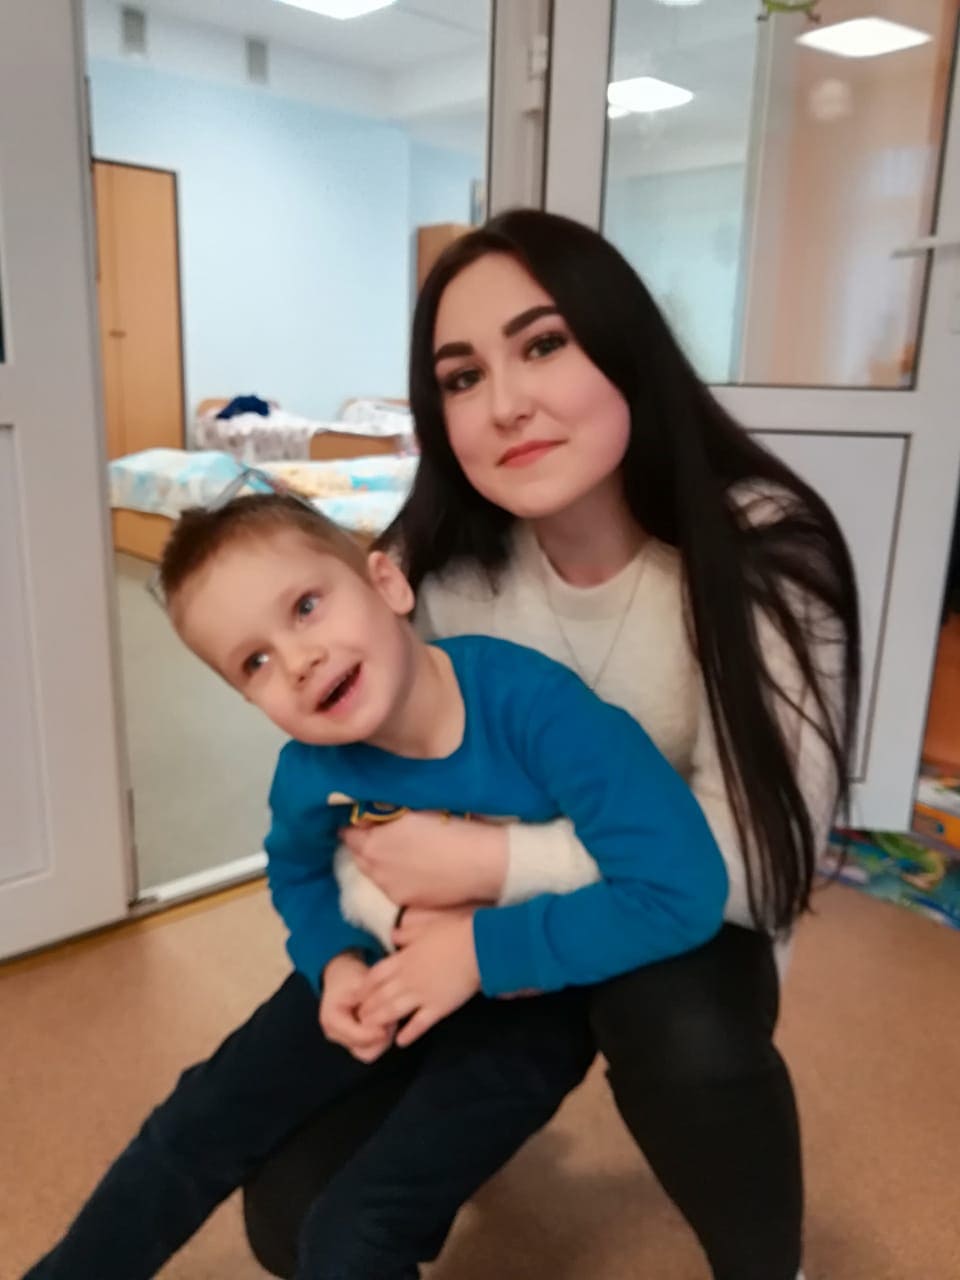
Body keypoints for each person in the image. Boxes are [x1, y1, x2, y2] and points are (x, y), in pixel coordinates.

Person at [241, 208, 860, 1280]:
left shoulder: (761, 553)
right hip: (479, 927)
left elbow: (760, 866)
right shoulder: (431, 563)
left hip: (677, 928)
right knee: (293, 1219)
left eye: (543, 344)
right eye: (462, 375)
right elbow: (357, 803)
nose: (505, 404)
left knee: (686, 1031)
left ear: (624, 346)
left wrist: (492, 863)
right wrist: (376, 930)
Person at [24, 489, 727, 1280]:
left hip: (532, 1000)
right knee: (194, 1123)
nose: (297, 660)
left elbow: (682, 887)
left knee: (356, 1229)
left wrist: (477, 951)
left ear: (387, 584)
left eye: (306, 607)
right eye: (255, 662)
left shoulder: (537, 708)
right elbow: (297, 871)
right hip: (383, 971)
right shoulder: (309, 775)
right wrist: (332, 964)